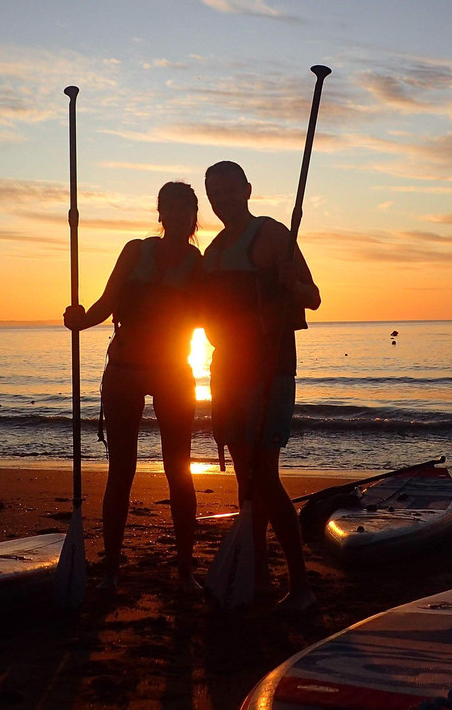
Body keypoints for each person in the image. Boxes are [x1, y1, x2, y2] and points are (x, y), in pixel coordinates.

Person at [64, 181, 203, 595]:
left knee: (179, 469)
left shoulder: (198, 262)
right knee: (121, 470)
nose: (177, 217)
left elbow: (207, 318)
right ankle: (110, 571)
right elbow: (106, 304)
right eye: (171, 210)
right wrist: (80, 320)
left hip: (174, 370)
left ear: (193, 217)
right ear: (159, 214)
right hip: (124, 367)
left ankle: (184, 570)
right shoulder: (135, 251)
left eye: (186, 211)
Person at [202, 160, 320, 614]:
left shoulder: (270, 234)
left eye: (229, 192)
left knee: (264, 477)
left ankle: (301, 585)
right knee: (243, 478)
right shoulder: (213, 250)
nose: (222, 201)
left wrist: (294, 284)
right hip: (226, 367)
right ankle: (258, 576)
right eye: (215, 194)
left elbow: (313, 297)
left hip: (269, 367)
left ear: (247, 190)